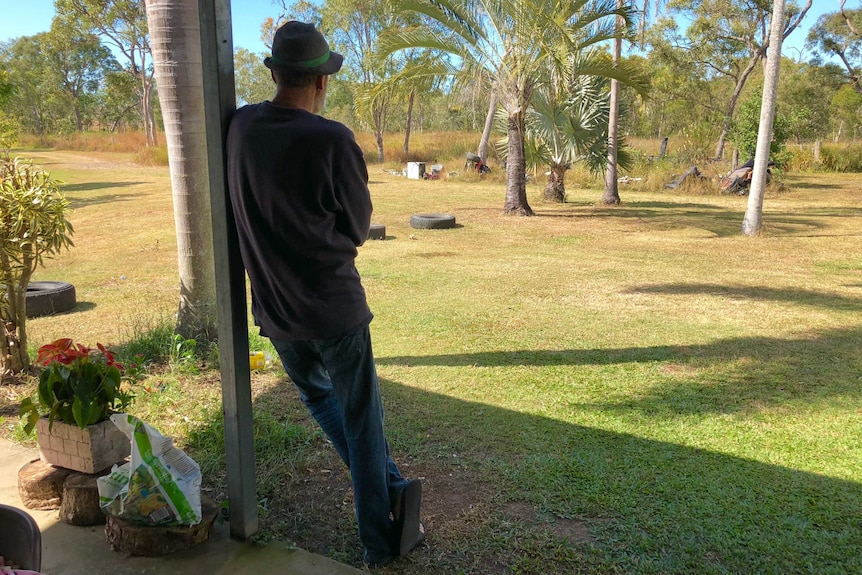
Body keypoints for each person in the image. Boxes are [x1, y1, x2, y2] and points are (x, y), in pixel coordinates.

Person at [225, 21, 424, 568]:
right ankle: (379, 545)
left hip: (277, 314)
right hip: (335, 311)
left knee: (320, 399)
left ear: (273, 72)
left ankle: (395, 490)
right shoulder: (331, 139)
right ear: (321, 82)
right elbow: (357, 227)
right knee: (363, 423)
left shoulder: (239, 127)